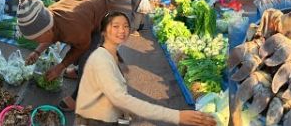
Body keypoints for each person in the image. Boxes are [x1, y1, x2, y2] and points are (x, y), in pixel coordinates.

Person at [75, 11, 216, 126]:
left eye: (125, 26)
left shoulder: (111, 54)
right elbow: (120, 99)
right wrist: (177, 116)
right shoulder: (101, 60)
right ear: (104, 31)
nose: (122, 31)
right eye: (115, 26)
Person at [17, 0, 127, 112]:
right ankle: (79, 71)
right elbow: (51, 35)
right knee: (85, 47)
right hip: (95, 4)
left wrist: (60, 67)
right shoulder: (49, 17)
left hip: (112, 9)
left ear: (46, 31)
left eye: (36, 39)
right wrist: (37, 52)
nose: (36, 42)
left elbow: (81, 47)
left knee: (89, 57)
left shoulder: (73, 27)